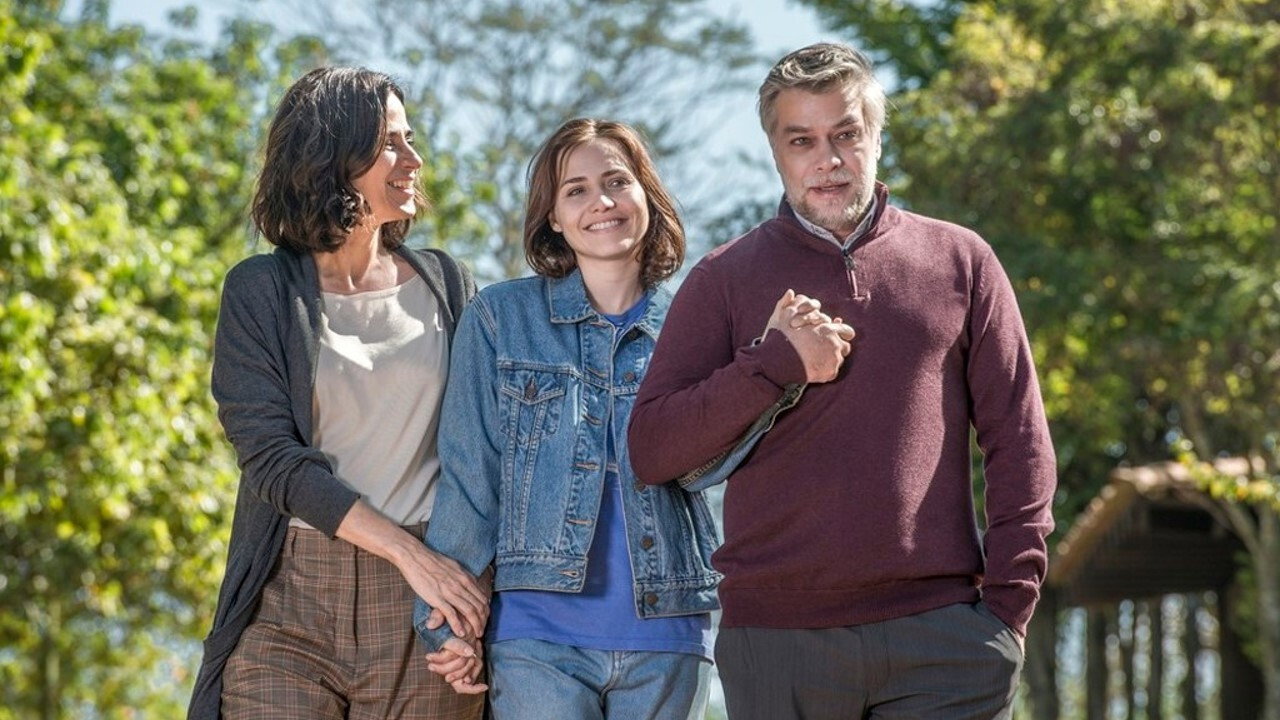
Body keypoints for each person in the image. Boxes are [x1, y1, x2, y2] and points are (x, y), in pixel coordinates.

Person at [628, 42, 1057, 720]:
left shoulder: (961, 260)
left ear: (876, 138)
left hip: (945, 641)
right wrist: (773, 363)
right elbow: (652, 448)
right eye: (802, 140)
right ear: (776, 152)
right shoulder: (723, 278)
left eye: (846, 134)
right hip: (777, 646)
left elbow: (1021, 440)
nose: (827, 159)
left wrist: (1008, 608)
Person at [188, 67, 487, 720]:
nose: (413, 160)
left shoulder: (448, 285)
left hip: (424, 608)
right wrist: (408, 553)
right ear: (331, 157)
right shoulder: (260, 291)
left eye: (411, 140)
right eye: (389, 144)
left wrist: (470, 601)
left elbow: (488, 457)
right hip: (290, 597)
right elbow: (271, 458)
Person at [413, 118, 720, 719]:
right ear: (553, 216)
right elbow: (472, 479)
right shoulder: (501, 318)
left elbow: (716, 464)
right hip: (536, 640)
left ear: (646, 196)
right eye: (576, 190)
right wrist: (447, 623)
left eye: (617, 182)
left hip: (669, 635)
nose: (601, 201)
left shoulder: (696, 326)